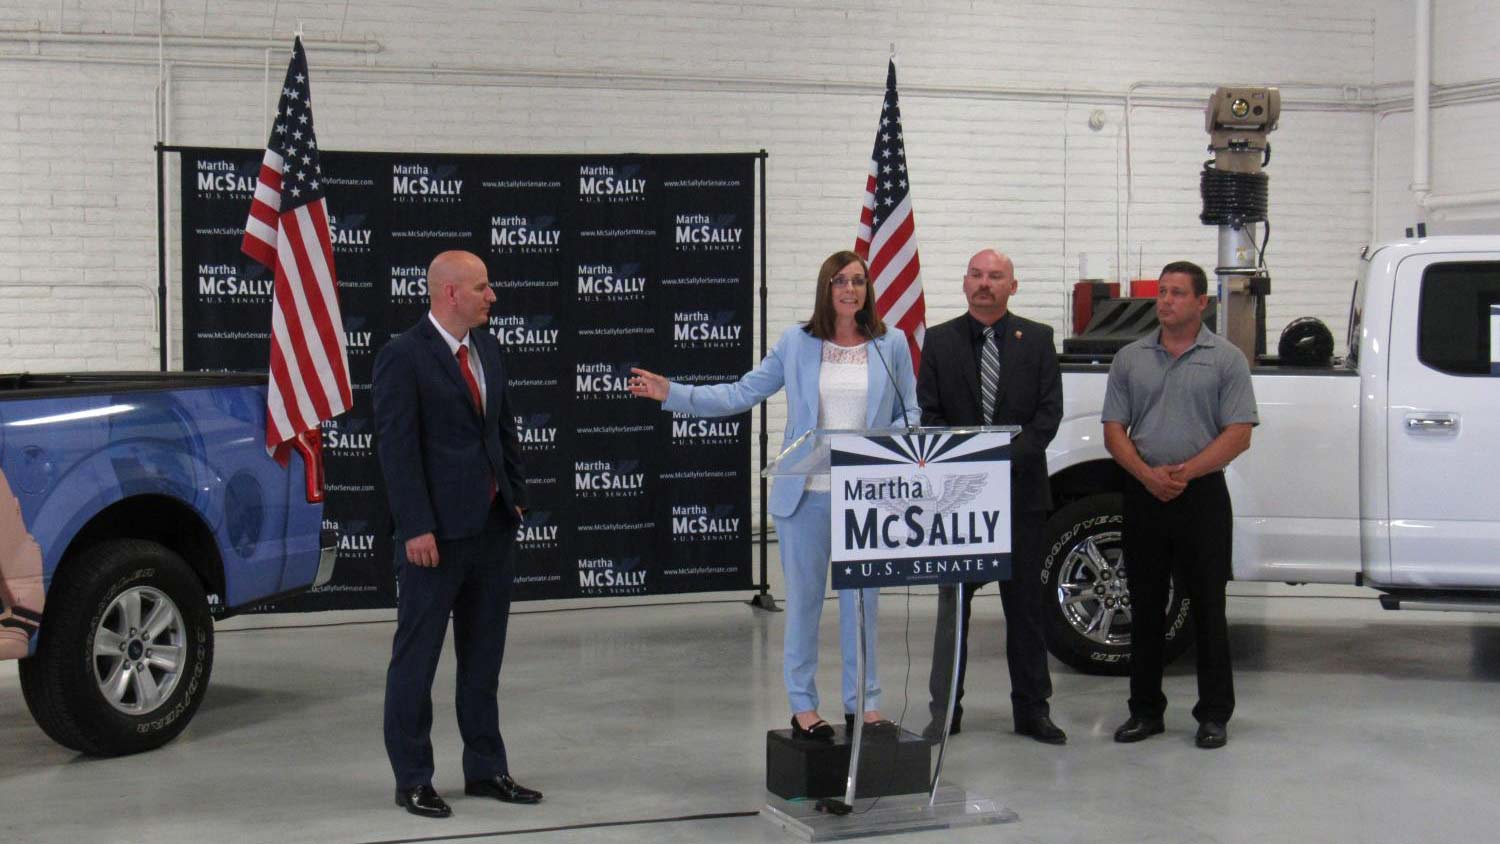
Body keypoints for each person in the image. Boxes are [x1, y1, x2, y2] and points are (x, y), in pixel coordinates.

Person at [629, 249, 919, 741]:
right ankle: (804, 707)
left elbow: (911, 413)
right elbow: (741, 393)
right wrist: (674, 393)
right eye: (840, 282)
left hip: (866, 499)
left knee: (863, 605)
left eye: (859, 281)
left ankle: (864, 705)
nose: (851, 290)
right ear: (825, 289)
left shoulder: (889, 344)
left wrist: (878, 442)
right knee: (805, 603)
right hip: (804, 496)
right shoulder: (798, 343)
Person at [372, 250, 542, 819]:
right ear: (449, 293)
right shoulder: (403, 356)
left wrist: (515, 495)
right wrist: (415, 526)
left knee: (483, 661)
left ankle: (487, 769)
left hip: (492, 531)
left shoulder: (488, 348)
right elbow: (396, 451)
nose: (491, 296)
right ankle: (413, 777)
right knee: (416, 662)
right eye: (482, 287)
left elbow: (504, 426)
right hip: (434, 539)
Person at [1103, 260, 1257, 750]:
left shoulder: (1227, 359)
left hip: (1202, 498)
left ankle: (1213, 714)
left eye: (1175, 293)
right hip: (1144, 494)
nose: (1164, 301)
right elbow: (1113, 430)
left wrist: (1185, 474)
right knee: (1145, 609)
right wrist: (1148, 475)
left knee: (1209, 608)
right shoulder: (1130, 358)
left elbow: (1239, 434)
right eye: (1161, 292)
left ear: (1200, 302)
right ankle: (1145, 712)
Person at [915, 249, 1066, 745]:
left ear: (1012, 286)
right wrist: (971, 465)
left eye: (995, 276)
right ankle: (944, 714)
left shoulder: (1039, 340)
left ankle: (1032, 711)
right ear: (964, 284)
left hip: (1022, 498)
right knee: (952, 609)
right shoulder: (938, 341)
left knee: (1025, 609)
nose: (985, 284)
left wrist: (1001, 461)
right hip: (959, 500)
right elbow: (930, 413)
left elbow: (1047, 417)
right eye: (977, 275)